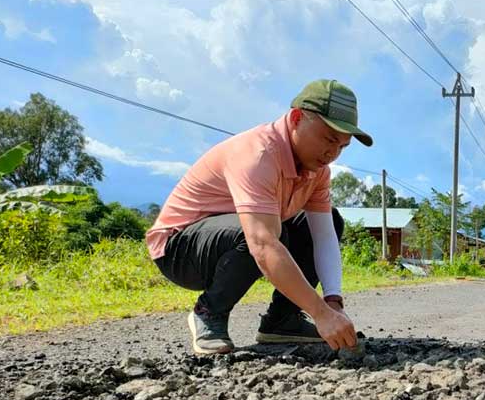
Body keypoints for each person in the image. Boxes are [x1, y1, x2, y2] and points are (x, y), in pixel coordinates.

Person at [145, 79, 371, 355]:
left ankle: (282, 321)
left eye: (342, 147)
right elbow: (262, 243)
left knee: (326, 220)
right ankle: (208, 313)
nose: (333, 154)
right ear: (297, 118)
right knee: (265, 233)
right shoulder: (259, 154)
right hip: (179, 249)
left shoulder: (318, 171)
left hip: (240, 235)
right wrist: (321, 315)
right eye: (328, 139)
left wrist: (333, 304)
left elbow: (323, 236)